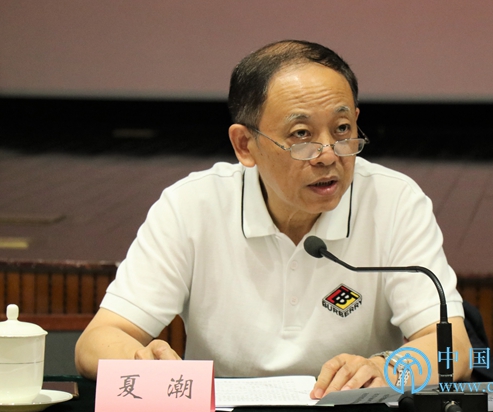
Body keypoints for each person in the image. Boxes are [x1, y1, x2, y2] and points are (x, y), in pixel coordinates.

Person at [74, 40, 471, 397]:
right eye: (301, 134)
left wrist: (387, 368)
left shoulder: (394, 201)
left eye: (342, 129)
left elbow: (453, 347)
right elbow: (98, 340)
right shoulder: (192, 205)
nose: (328, 155)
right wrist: (141, 364)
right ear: (245, 144)